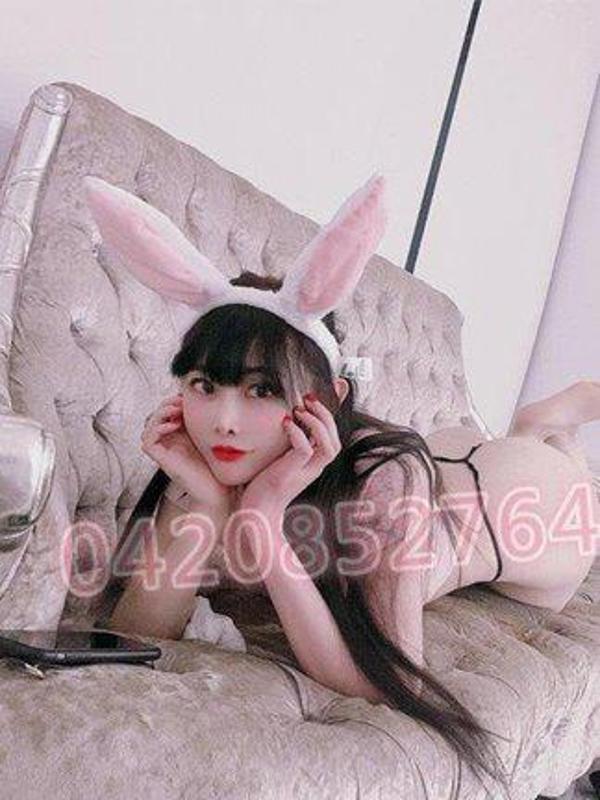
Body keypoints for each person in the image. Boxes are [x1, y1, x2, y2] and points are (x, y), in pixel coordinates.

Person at [82, 171, 600, 800]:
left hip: (516, 506)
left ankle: (544, 427)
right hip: (438, 465)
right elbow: (138, 633)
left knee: (565, 502)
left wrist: (263, 522)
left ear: (328, 398)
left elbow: (387, 683)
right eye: (204, 385)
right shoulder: (204, 458)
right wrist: (210, 503)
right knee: (465, 449)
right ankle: (530, 427)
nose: (224, 420)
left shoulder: (380, 481)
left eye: (262, 389)